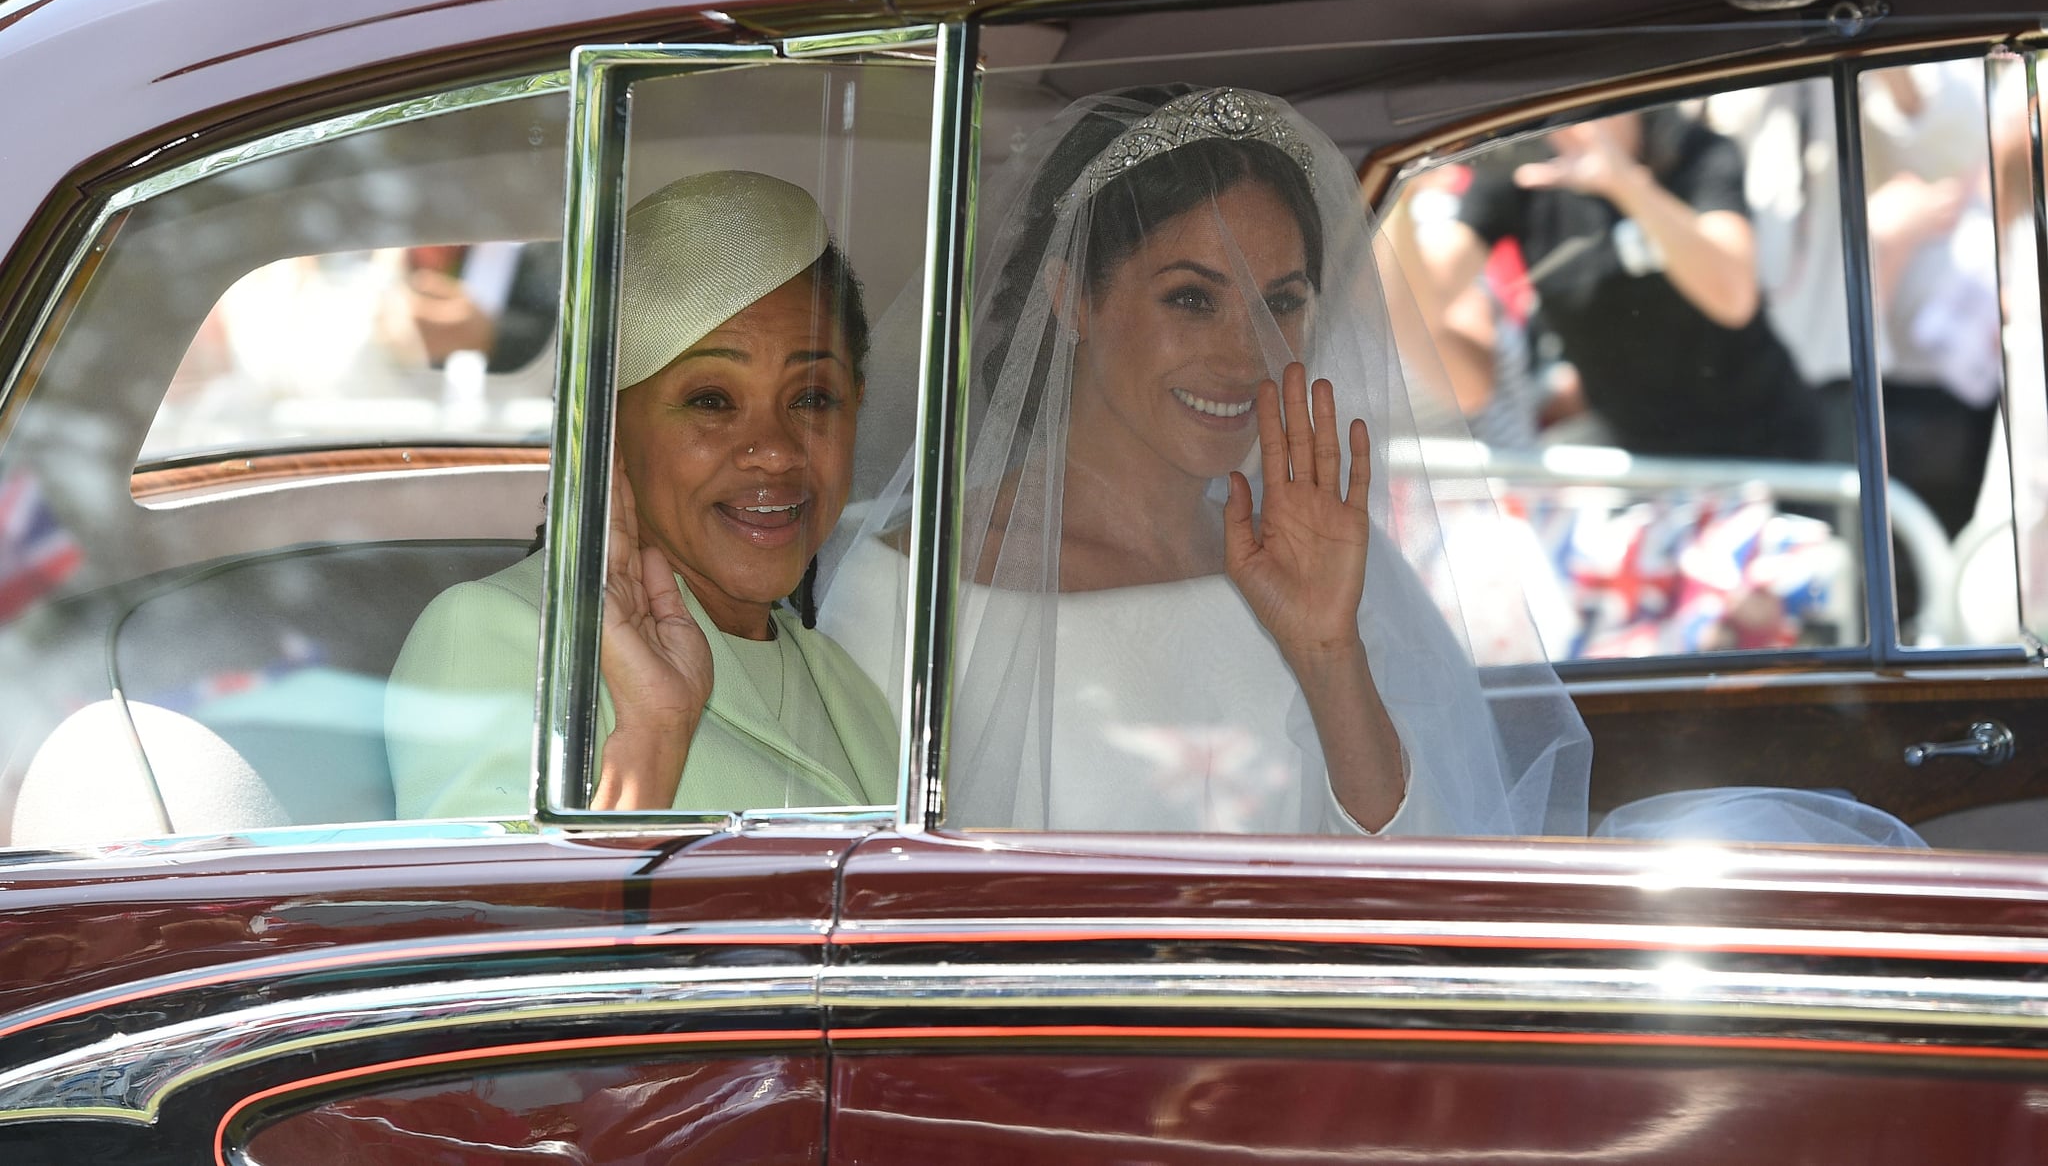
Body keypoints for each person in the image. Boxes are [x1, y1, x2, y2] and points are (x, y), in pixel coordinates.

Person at [820, 85, 1593, 836]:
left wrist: (1330, 657)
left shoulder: (1329, 568)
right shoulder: (906, 595)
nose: (1248, 351)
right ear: (1071, 296)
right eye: (1192, 298)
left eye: (1282, 302)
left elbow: (1425, 876)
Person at [386, 170, 898, 818]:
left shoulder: (849, 688)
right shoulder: (503, 636)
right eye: (712, 400)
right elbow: (498, 917)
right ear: (609, 436)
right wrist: (654, 736)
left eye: (813, 397)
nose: (776, 449)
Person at [1442, 109, 1825, 461]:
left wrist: (1624, 183)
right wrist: (1399, 201)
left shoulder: (1694, 153)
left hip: (1766, 447)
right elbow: (1434, 291)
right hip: (1643, 462)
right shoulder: (1522, 170)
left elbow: (1734, 298)